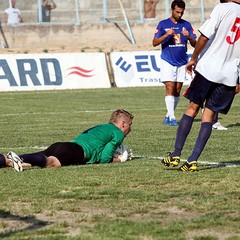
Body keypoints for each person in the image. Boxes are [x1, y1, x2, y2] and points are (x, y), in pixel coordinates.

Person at [161, 0, 240, 171]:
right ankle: (193, 160)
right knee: (209, 116)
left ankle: (176, 155)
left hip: (209, 68)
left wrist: (193, 58)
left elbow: (204, 35)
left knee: (192, 109)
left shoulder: (222, 8)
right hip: (229, 74)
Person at [0, 109, 134, 172]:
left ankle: (6, 159)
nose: (130, 128)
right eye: (129, 125)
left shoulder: (103, 127)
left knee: (12, 160)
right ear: (123, 124)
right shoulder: (118, 133)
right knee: (51, 163)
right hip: (76, 151)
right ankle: (17, 159)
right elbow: (105, 158)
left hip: (64, 146)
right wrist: (119, 159)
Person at [152, 0, 197, 126]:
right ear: (172, 10)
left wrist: (189, 37)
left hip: (182, 61)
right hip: (167, 60)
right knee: (170, 87)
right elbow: (155, 42)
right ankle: (172, 117)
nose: (179, 15)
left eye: (182, 12)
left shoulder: (186, 25)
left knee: (177, 90)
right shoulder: (163, 24)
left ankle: (168, 115)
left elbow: (195, 44)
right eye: (177, 12)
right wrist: (166, 34)